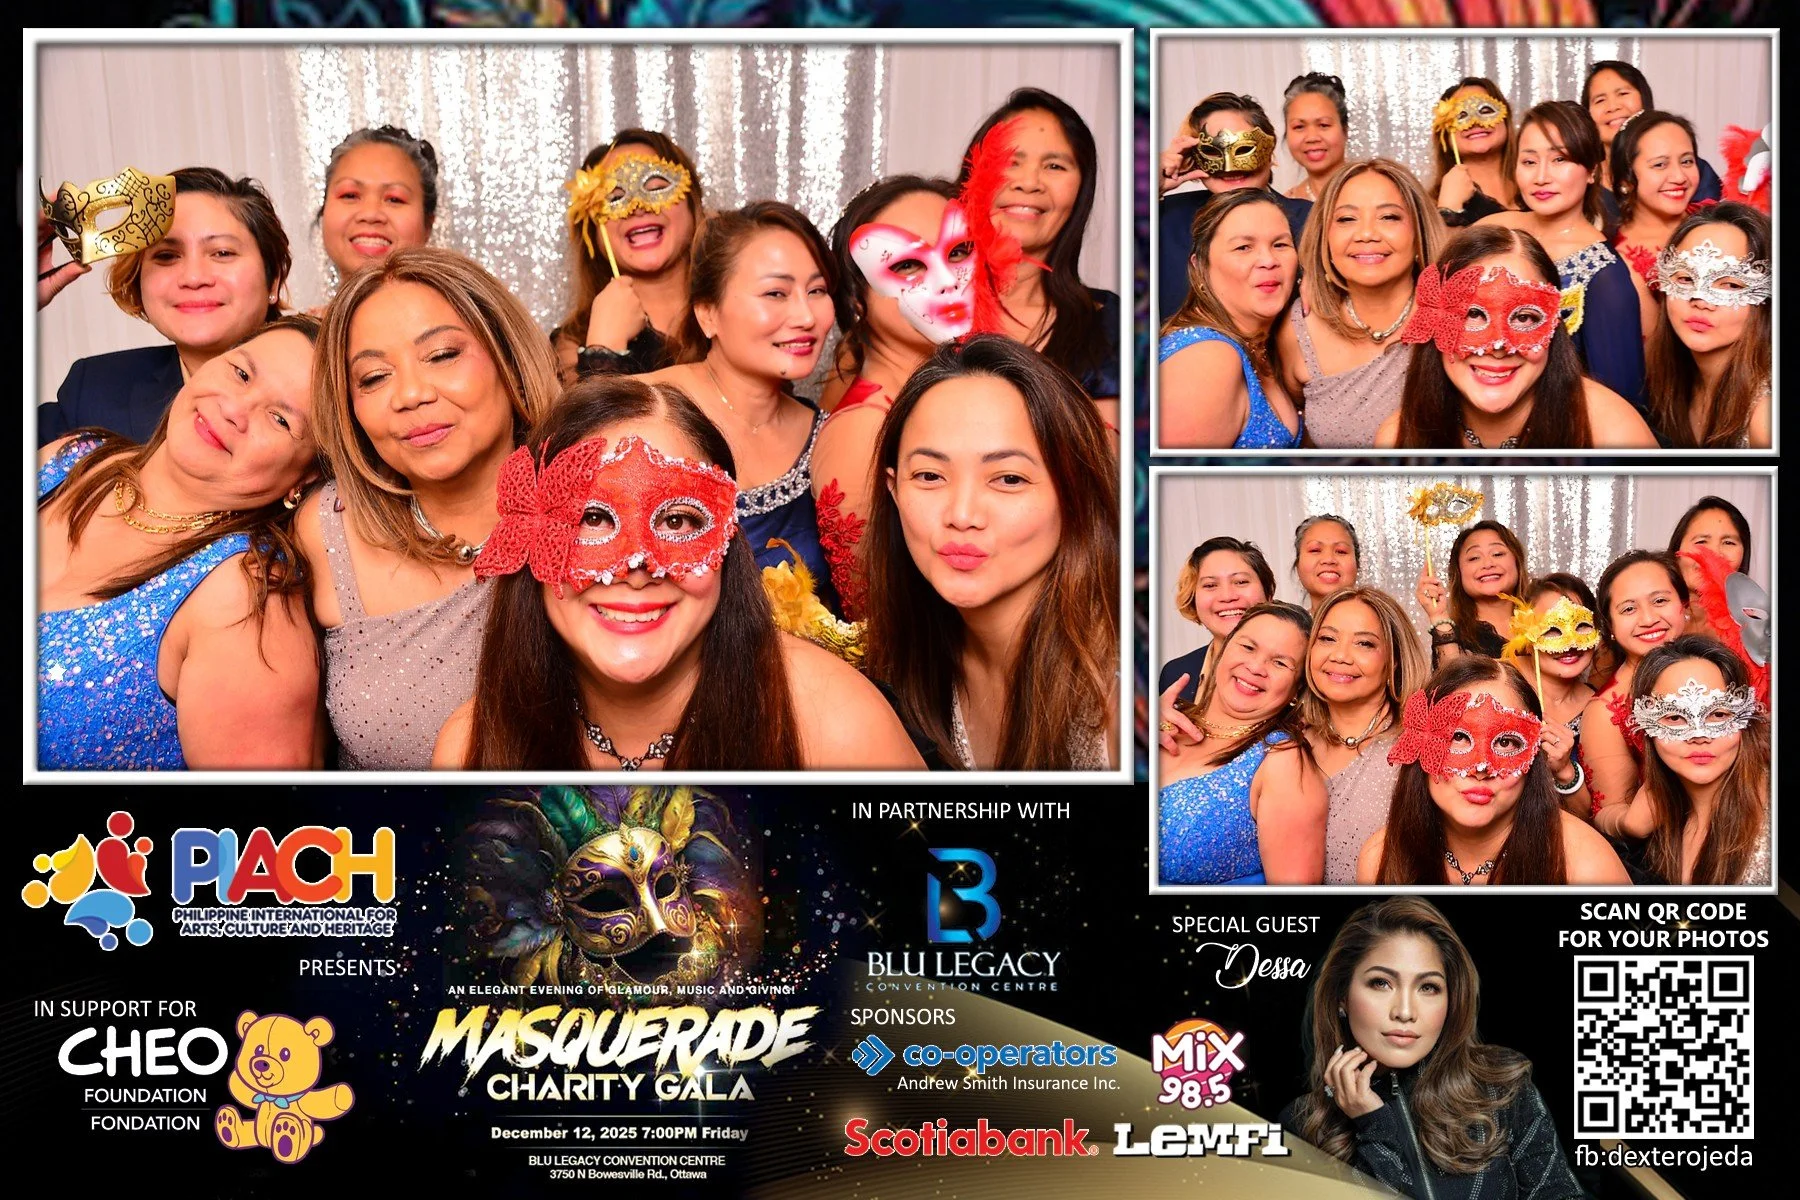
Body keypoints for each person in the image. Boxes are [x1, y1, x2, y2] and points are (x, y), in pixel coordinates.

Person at [433, 377, 923, 771]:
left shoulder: (832, 723)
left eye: (677, 520)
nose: (637, 564)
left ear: (728, 539)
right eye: (593, 518)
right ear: (528, 535)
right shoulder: (471, 749)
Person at [297, 246, 559, 770]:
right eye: (373, 378)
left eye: (442, 355)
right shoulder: (327, 529)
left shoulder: (601, 505)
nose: (411, 394)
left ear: (507, 356)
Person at [38, 315, 323, 769]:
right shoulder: (70, 459)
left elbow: (255, 833)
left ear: (303, 477)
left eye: (280, 419)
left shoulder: (245, 600)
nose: (235, 407)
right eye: (241, 372)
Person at [863, 335, 1119, 770]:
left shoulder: (1117, 694)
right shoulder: (906, 668)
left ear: (1075, 495)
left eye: (1009, 479)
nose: (962, 515)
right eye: (929, 475)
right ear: (894, 492)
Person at [1279, 897, 1586, 1200]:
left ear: (1450, 1000)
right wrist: (1372, 1125)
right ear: (1341, 996)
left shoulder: (1501, 1086)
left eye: (1428, 987)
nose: (1404, 1011)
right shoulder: (1304, 1124)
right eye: (1381, 983)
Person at [639, 201, 841, 605]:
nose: (806, 316)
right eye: (776, 293)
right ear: (708, 313)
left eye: (817, 290)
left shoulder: (831, 436)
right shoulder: (643, 410)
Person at [41, 167, 293, 446]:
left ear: (273, 279)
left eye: (222, 253)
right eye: (167, 255)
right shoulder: (95, 389)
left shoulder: (332, 389)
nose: (194, 278)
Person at [813, 175, 961, 617]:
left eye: (958, 252)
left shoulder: (962, 396)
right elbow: (878, 619)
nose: (947, 279)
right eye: (909, 266)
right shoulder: (862, 432)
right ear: (856, 298)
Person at [1377, 225, 1657, 449]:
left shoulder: (1612, 430)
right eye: (1474, 314)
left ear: (1553, 326)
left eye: (1525, 318)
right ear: (1435, 321)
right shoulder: (1397, 439)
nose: (1499, 345)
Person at [1357, 656, 1630, 885]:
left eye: (1506, 742)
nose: (1481, 767)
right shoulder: (1380, 859)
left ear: (1535, 751)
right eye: (1458, 738)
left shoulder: (1585, 865)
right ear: (1419, 741)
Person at [960, 88, 1121, 425]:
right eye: (1008, 161)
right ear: (972, 175)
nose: (1029, 182)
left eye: (1054, 165)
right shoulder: (913, 311)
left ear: (1081, 190)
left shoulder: (1112, 329)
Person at [1480, 101, 1644, 410]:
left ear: (1593, 170)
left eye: (1559, 159)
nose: (1541, 177)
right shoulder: (1493, 230)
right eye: (1529, 162)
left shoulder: (1605, 275)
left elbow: (1620, 403)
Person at [1275, 159, 1445, 448]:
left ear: (1418, 231)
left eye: (1389, 217)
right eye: (1346, 219)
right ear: (1324, 237)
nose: (1366, 234)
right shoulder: (1297, 329)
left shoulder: (1456, 315)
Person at [1158, 602, 1327, 885]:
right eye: (1248, 647)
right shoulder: (1167, 721)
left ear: (1297, 688)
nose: (1256, 667)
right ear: (1222, 650)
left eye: (1280, 662)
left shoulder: (1282, 760)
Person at [550, 129, 703, 386]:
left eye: (656, 187)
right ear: (593, 232)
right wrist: (603, 348)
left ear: (692, 202)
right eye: (615, 197)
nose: (638, 206)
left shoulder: (738, 312)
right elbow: (585, 424)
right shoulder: (572, 343)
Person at [1301, 587, 1428, 884]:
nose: (1341, 656)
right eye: (1327, 638)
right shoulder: (1287, 739)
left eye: (1364, 644)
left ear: (1393, 661)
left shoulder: (1420, 744)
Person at [1618, 637, 1769, 885]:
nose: (1699, 735)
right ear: (1646, 727)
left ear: (1744, 718)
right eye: (1675, 717)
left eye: (1718, 714)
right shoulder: (1664, 823)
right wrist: (1626, 825)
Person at [1158, 189, 1300, 449]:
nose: (1269, 261)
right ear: (1200, 266)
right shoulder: (1206, 357)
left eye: (1280, 244)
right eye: (1243, 247)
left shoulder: (1266, 345)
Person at [1158, 91, 1312, 325]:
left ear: (1269, 150)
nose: (1229, 166)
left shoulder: (1311, 219)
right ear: (1192, 155)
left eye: (1243, 149)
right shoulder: (1165, 217)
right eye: (1213, 151)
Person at [1643, 203, 1772, 448]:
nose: (1701, 301)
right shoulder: (1670, 382)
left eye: (1731, 285)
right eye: (1685, 279)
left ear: (1765, 299)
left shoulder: (1765, 419)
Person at [1585, 551, 1689, 835]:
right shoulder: (1605, 711)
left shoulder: (1718, 669)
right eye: (1629, 609)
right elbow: (1611, 811)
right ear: (1610, 627)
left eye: (1660, 601)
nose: (1648, 618)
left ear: (1683, 605)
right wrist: (1630, 822)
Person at [1503, 576, 1600, 819]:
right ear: (1525, 633)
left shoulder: (1597, 707)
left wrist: (1565, 771)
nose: (1570, 644)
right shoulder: (1497, 680)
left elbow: (1588, 815)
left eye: (1581, 626)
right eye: (1553, 629)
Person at [1582, 60, 1723, 221]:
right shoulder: (1582, 180)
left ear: (1645, 99)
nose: (1613, 106)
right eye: (1600, 100)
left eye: (1623, 94)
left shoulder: (1693, 173)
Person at [1610, 111, 1703, 337]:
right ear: (1626, 180)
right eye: (1660, 165)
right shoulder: (1618, 261)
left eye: (1687, 161)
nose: (1679, 176)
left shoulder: (1716, 220)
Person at [1159, 536, 1275, 710]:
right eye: (1210, 585)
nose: (1227, 596)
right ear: (1193, 598)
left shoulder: (1300, 667)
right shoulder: (1175, 672)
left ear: (1268, 592)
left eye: (1241, 582)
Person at [316, 125, 437, 286]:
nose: (370, 214)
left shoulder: (454, 311)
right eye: (350, 195)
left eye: (394, 199)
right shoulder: (295, 311)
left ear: (427, 224)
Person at [1415, 519, 1528, 666]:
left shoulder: (1546, 621)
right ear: (1459, 573)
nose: (1488, 564)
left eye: (1498, 554)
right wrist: (1438, 616)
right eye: (1474, 558)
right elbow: (1452, 682)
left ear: (1517, 562)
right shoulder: (1454, 639)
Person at [1429, 77, 1518, 227]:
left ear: (1505, 118)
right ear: (1444, 133)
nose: (1475, 122)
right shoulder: (1429, 205)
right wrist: (1448, 209)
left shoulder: (1538, 186)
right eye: (1461, 115)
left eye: (1485, 110)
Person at [1667, 495, 1753, 639]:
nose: (1714, 553)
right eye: (1701, 541)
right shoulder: (1653, 617)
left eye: (1728, 543)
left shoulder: (1757, 628)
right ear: (1677, 552)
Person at [1282, 72, 1349, 203]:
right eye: (1299, 127)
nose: (1312, 137)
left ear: (1345, 130)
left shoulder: (1377, 190)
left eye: (1323, 125)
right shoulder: (1285, 207)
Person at [1293, 514, 1361, 610]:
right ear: (1297, 565)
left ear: (1357, 565)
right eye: (1315, 550)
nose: (1329, 559)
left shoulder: (1382, 622)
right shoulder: (1288, 624)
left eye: (1341, 551)